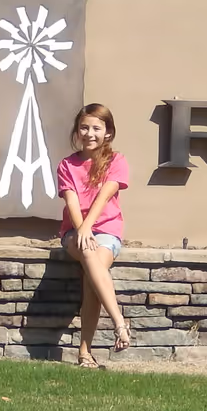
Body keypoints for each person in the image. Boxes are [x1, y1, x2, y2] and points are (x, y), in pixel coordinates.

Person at [58, 103, 131, 367]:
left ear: (108, 132)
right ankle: (119, 323)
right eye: (84, 128)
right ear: (77, 131)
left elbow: (104, 197)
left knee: (92, 276)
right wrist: (82, 230)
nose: (90, 133)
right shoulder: (67, 165)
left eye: (96, 128)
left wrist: (89, 228)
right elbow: (71, 202)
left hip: (107, 230)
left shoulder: (117, 161)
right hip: (74, 231)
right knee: (89, 253)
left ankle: (84, 353)